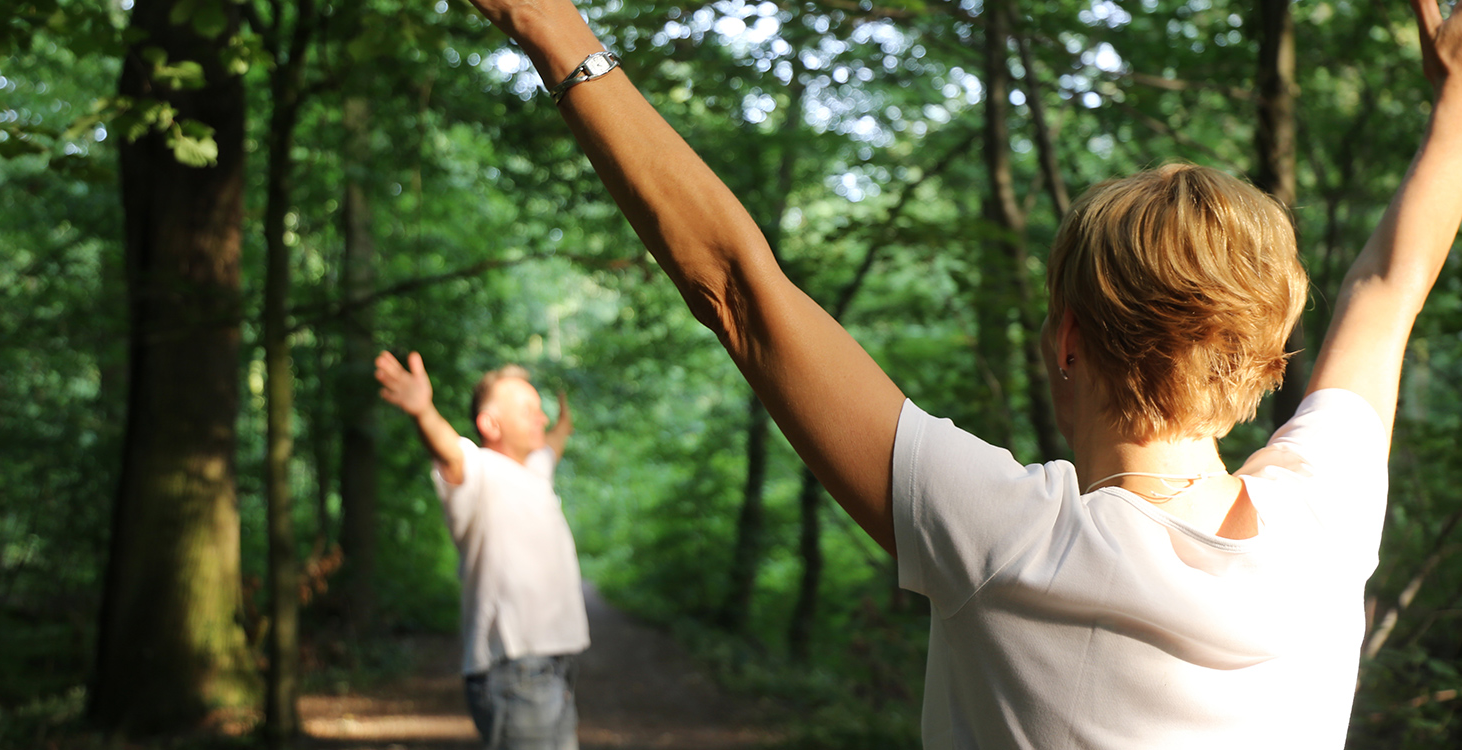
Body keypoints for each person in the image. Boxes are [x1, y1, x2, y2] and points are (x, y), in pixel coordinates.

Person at [457, 0, 1462, 744]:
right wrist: (1460, 95)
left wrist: (553, 30)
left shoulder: (1007, 539)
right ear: (1258, 359)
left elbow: (739, 292)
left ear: (1064, 339)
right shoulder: (1324, 522)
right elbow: (1387, 283)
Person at [375, 352, 588, 749]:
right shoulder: (478, 470)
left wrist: (563, 420)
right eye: (527, 411)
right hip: (514, 671)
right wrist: (423, 412)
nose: (539, 418)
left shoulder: (536, 470)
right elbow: (448, 450)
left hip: (557, 668)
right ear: (490, 424)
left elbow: (556, 439)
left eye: (539, 411)